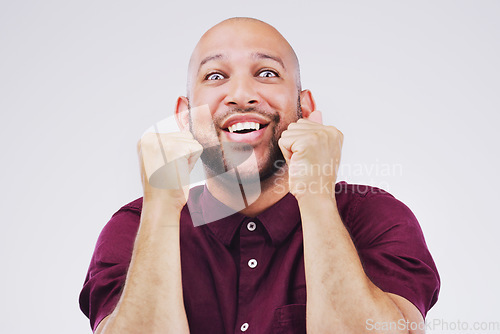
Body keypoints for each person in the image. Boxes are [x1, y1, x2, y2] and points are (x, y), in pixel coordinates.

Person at [80, 17, 440, 334]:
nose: (241, 95)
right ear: (184, 118)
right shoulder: (132, 229)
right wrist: (159, 206)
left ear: (306, 109)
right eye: (216, 76)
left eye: (267, 73)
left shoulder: (376, 217)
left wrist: (315, 195)